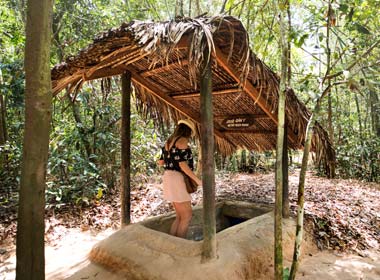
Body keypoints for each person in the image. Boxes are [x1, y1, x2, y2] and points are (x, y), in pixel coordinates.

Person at [158, 119, 202, 238]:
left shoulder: (168, 142)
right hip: (177, 178)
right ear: (188, 131)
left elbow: (160, 162)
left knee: (179, 216)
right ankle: (180, 244)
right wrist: (197, 180)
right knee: (187, 216)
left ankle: (172, 242)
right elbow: (183, 165)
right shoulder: (182, 140)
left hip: (168, 177)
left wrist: (170, 159)